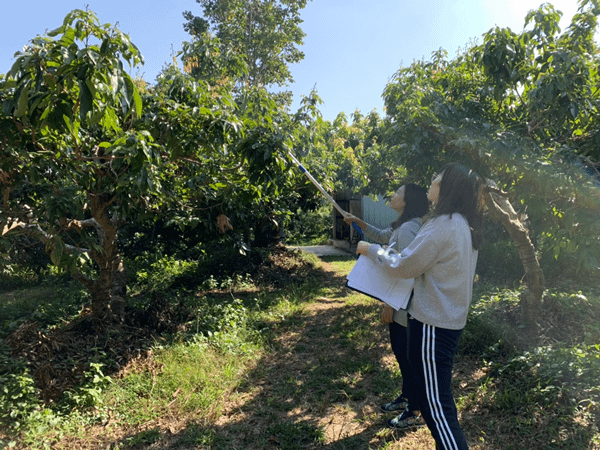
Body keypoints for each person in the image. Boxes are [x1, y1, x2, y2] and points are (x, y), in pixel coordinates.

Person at [356, 163, 484, 450]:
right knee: (436, 401)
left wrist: (370, 250)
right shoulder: (462, 224)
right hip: (447, 323)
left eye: (436, 177)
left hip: (433, 326)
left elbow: (404, 264)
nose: (432, 180)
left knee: (436, 409)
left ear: (448, 187)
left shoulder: (443, 224)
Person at [344, 183, 429, 429]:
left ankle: (414, 410)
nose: (393, 195)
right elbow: (383, 237)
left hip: (403, 304)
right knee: (401, 353)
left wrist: (389, 304)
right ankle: (406, 397)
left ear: (408, 200)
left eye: (398, 193)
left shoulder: (409, 229)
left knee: (407, 355)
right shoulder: (402, 226)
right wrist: (358, 222)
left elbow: (407, 270)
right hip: (400, 304)